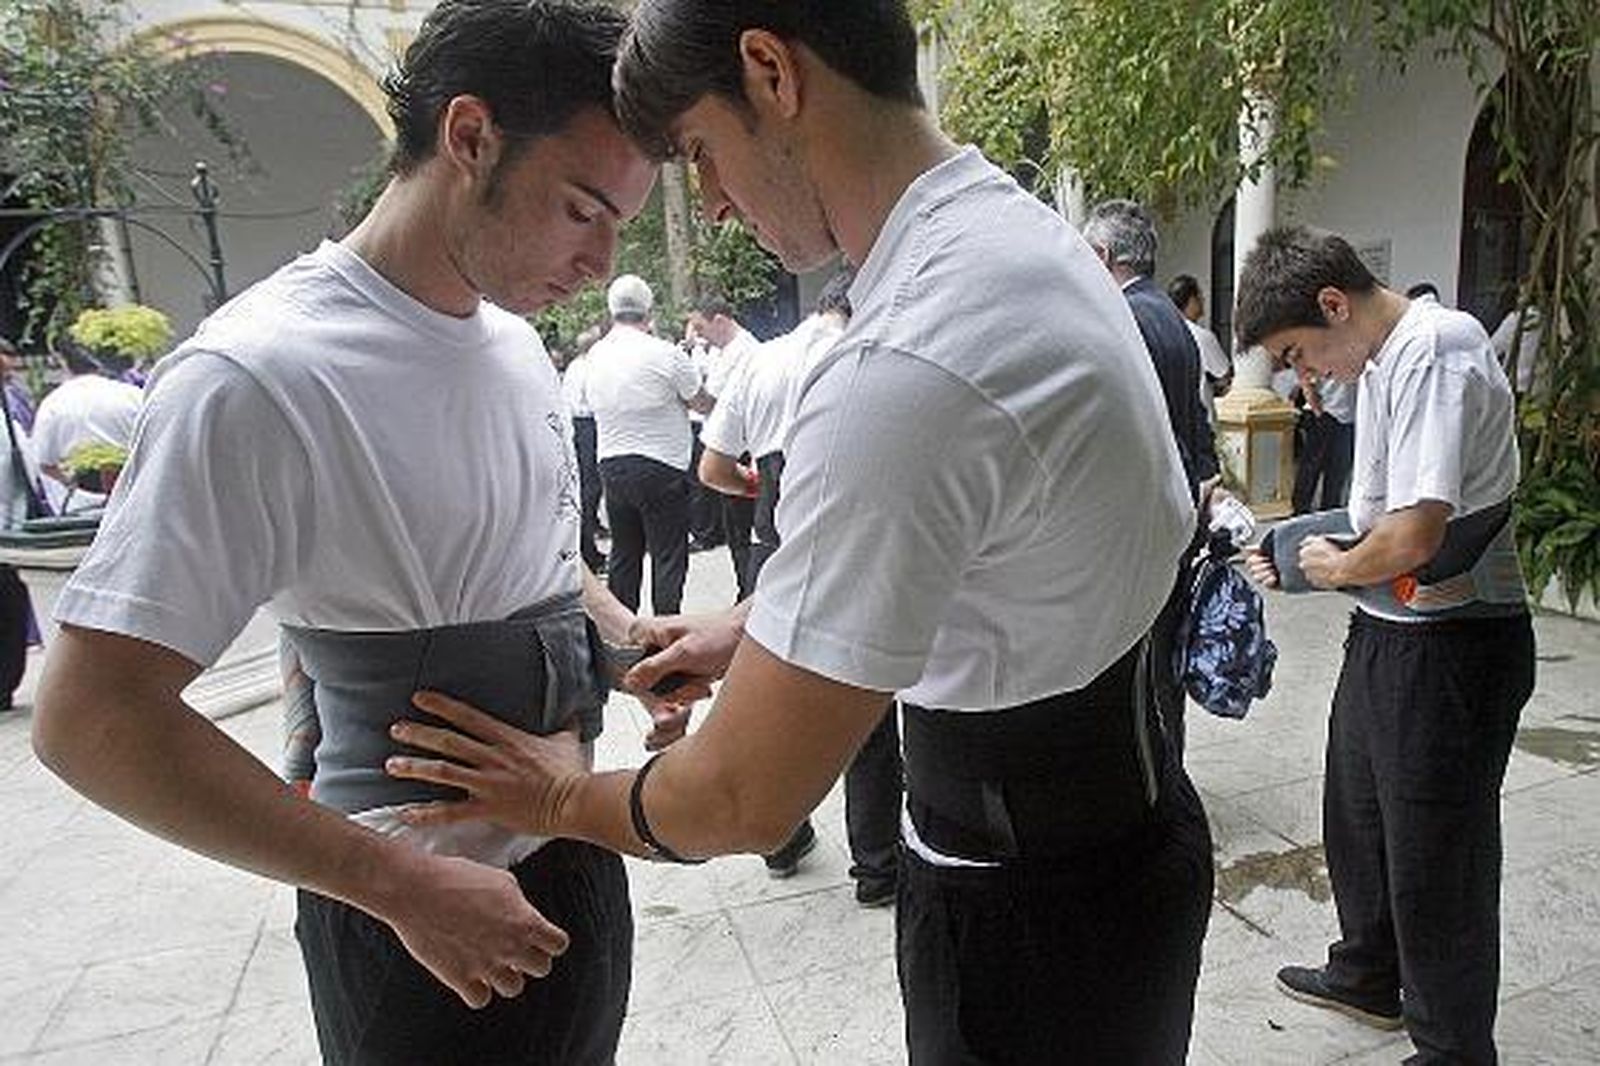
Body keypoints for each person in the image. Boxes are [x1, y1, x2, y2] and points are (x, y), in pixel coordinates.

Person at [383, 4, 1213, 1062]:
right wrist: (751, 625)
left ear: (770, 71)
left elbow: (740, 795)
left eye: (700, 154)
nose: (717, 206)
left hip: (1028, 917)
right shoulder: (1014, 238)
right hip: (1121, 834)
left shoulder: (908, 361)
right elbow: (989, 532)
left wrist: (551, 794)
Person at [29, 3, 672, 1063]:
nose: (601, 264)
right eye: (579, 209)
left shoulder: (513, 346)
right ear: (469, 139)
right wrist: (401, 886)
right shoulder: (258, 376)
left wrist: (619, 638)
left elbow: (539, 554)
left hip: (569, 861)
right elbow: (89, 718)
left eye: (619, 226)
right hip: (412, 917)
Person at [1237, 225, 1534, 1066]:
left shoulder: (1438, 350)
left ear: (1334, 304)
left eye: (1298, 351)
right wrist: (1302, 549)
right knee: (1359, 814)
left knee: (1438, 850)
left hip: (1452, 649)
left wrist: (1332, 568)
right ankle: (1369, 972)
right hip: (1391, 635)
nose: (1304, 374)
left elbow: (1410, 536)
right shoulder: (1383, 363)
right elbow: (1376, 514)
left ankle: (1451, 1046)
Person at [1084, 199, 1217, 758]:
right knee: (1161, 657)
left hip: (1140, 519)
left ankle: (1154, 771)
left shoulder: (1124, 319)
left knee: (1139, 659)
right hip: (1174, 509)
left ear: (1102, 254)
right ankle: (1168, 764)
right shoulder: (1170, 317)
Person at [585, 273, 711, 616]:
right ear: (649, 310)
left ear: (611, 310)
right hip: (662, 465)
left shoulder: (594, 357)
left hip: (612, 463)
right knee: (668, 555)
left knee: (624, 555)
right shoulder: (665, 354)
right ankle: (664, 634)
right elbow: (701, 402)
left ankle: (621, 638)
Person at [685, 296, 760, 594]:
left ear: (720, 320)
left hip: (739, 446)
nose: (699, 335)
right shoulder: (722, 351)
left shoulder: (744, 352)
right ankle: (745, 587)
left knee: (742, 529)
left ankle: (748, 591)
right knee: (734, 529)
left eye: (701, 327)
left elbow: (709, 400)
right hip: (725, 440)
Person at [29, 336, 142, 510]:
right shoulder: (132, 396)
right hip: (134, 496)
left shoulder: (53, 403)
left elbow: (44, 463)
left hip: (79, 507)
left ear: (63, 362)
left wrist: (73, 482)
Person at [561, 326, 608, 573]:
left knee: (587, 488)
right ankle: (587, 551)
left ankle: (588, 543)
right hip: (587, 425)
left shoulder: (574, 367)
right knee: (590, 490)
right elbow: (593, 399)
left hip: (577, 426)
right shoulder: (590, 368)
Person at [1167, 272, 1233, 419]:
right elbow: (1223, 378)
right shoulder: (1202, 337)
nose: (1203, 300)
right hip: (1199, 420)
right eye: (1199, 296)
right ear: (1191, 300)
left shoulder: (1164, 332)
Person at [1290, 376, 1357, 514]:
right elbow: (1307, 383)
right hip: (1324, 413)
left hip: (1348, 417)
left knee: (1339, 469)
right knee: (1311, 468)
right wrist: (1319, 413)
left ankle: (1329, 511)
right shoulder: (1323, 356)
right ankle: (1300, 511)